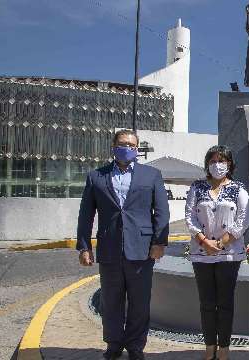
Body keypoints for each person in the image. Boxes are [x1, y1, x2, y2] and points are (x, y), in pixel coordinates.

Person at [76, 129, 170, 360]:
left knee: (140, 302)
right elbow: (86, 214)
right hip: (109, 248)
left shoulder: (152, 175)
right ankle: (114, 344)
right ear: (113, 146)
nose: (126, 148)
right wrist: (84, 246)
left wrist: (159, 242)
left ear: (137, 149)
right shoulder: (96, 176)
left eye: (131, 144)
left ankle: (136, 346)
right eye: (122, 143)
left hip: (141, 248)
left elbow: (162, 211)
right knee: (111, 301)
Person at [185, 145, 249, 360]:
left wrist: (220, 244)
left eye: (222, 160)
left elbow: (243, 220)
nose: (217, 165)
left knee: (224, 303)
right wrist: (204, 242)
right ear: (207, 164)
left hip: (229, 254)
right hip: (201, 253)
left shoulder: (239, 189)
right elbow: (190, 217)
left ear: (230, 164)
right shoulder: (197, 187)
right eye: (213, 161)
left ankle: (223, 348)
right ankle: (209, 346)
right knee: (206, 303)